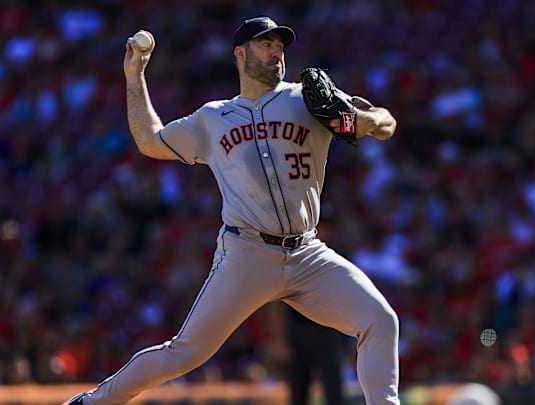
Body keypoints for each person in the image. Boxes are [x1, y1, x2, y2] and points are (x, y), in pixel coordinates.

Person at [64, 16, 399, 405]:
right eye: (266, 44)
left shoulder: (306, 99)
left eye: (279, 46)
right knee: (185, 352)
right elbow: (151, 141)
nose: (276, 52)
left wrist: (368, 119)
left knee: (380, 319)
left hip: (308, 253)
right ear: (240, 54)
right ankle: (91, 402)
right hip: (248, 255)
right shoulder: (213, 117)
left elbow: (382, 123)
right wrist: (134, 77)